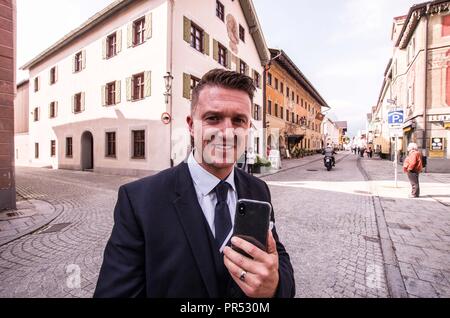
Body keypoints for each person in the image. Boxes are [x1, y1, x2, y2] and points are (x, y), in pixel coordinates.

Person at [94, 69, 295, 298]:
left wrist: (276, 286)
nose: (227, 132)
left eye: (239, 120)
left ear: (248, 127)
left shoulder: (258, 190)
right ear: (191, 125)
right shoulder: (140, 200)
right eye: (213, 118)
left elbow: (276, 253)